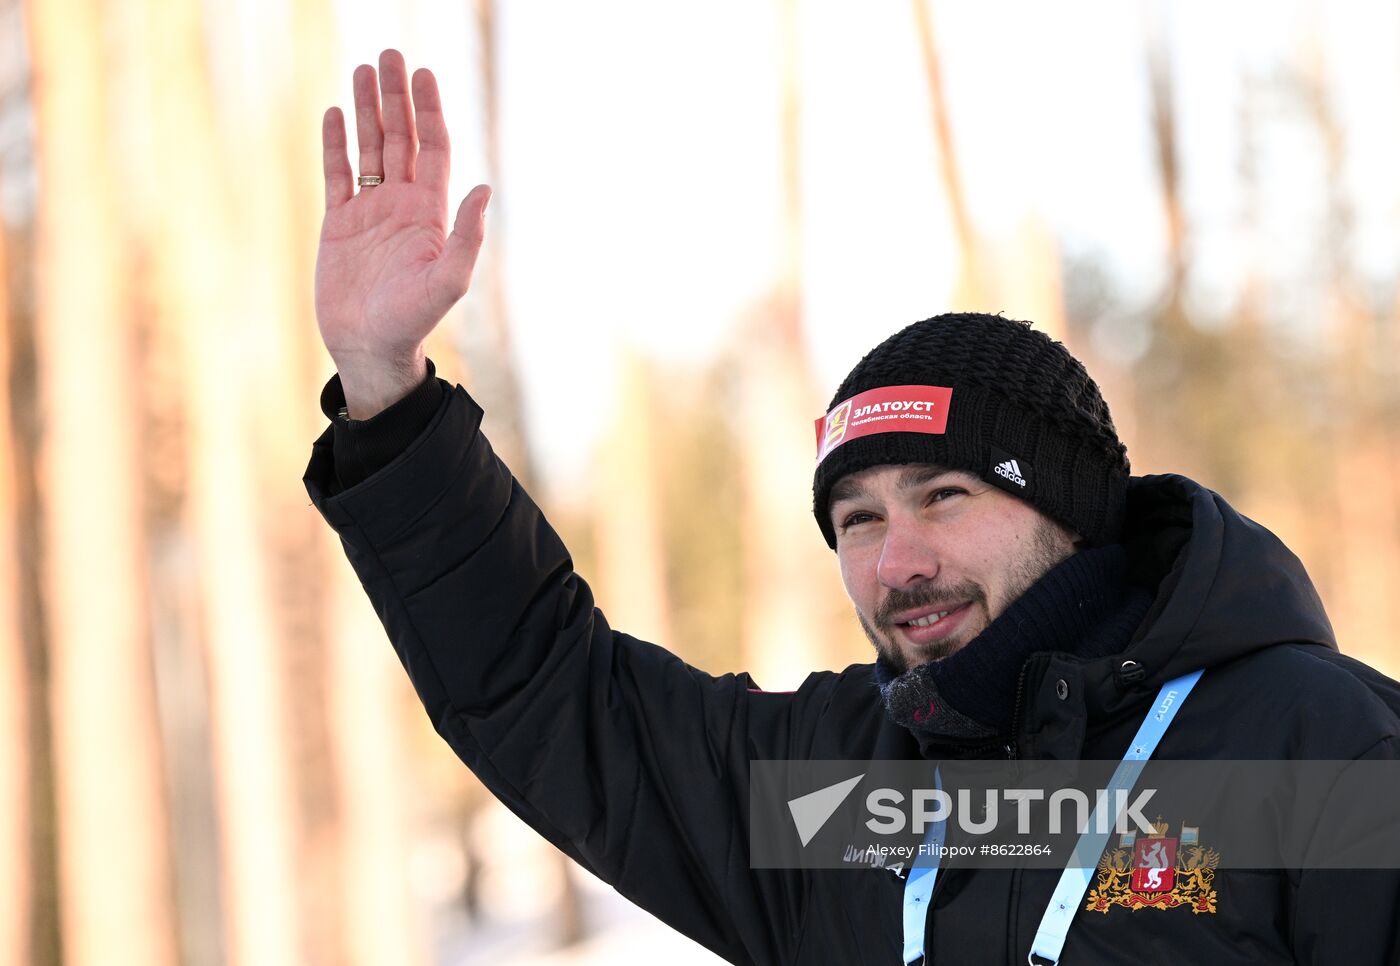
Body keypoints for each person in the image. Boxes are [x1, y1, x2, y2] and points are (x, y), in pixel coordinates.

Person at [305, 51, 1400, 965]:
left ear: (1069, 512)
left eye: (943, 496)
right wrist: (385, 390)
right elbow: (551, 692)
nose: (897, 560)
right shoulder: (837, 795)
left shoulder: (1310, 750)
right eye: (858, 520)